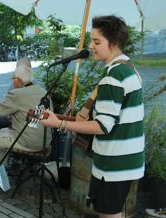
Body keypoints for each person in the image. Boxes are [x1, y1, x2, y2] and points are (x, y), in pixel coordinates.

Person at [40, 15, 144, 218]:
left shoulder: (113, 77)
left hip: (114, 163)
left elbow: (102, 126)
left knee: (109, 215)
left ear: (113, 43)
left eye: (97, 42)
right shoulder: (129, 69)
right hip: (126, 160)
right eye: (91, 40)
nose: (91, 46)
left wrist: (59, 123)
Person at [0, 66, 52, 188]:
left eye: (13, 78)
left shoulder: (17, 93)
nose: (12, 81)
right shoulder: (43, 92)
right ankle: (0, 172)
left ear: (18, 80)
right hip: (45, 142)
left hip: (27, 142)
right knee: (1, 132)